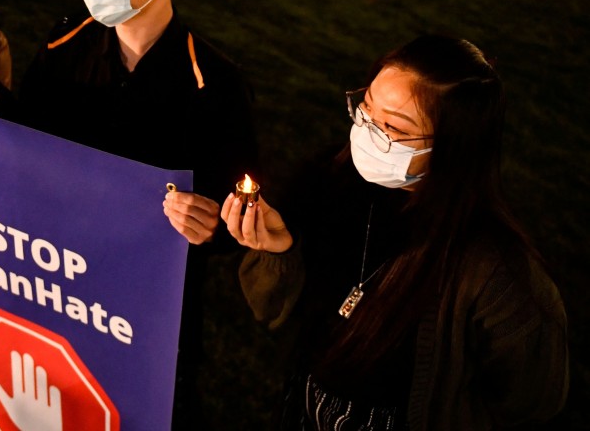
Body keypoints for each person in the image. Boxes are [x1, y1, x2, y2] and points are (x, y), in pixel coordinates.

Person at [0, 0, 258, 425]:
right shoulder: (65, 46)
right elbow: (35, 145)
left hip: (150, 313)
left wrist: (211, 225)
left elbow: (238, 206)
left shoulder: (214, 85)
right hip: (62, 288)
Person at [222, 35, 568, 430]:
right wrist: (279, 250)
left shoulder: (494, 273)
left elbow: (534, 400)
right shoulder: (333, 182)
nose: (367, 131)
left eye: (393, 127)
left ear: (454, 144)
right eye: (366, 108)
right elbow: (276, 313)